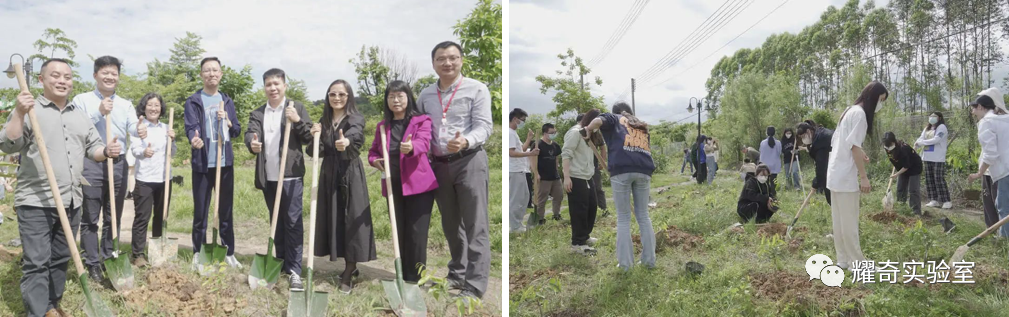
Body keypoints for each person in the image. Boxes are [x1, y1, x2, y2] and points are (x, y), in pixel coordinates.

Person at [2, 58, 120, 317]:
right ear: (42, 80)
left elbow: (93, 149)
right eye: (55, 76)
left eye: (67, 76)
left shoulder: (79, 115)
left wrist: (107, 151)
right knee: (36, 261)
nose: (62, 80)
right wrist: (19, 113)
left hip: (71, 199)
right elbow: (8, 146)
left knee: (60, 258)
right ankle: (38, 310)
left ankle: (51, 305)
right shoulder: (31, 110)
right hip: (36, 200)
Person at [417, 41, 492, 300]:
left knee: (476, 224)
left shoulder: (477, 88)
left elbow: (485, 126)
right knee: (451, 225)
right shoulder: (425, 95)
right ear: (433, 63)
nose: (447, 63)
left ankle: (475, 284)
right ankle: (457, 274)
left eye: (452, 58)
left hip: (469, 161)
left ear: (461, 60)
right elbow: (418, 129)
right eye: (441, 59)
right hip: (438, 165)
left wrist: (466, 140)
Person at [71, 55, 143, 283]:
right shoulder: (81, 100)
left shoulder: (126, 104)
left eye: (114, 73)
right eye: (105, 72)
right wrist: (99, 112)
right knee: (91, 217)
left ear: (118, 78)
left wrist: (139, 128)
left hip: (118, 163)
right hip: (91, 162)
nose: (110, 77)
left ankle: (108, 257)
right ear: (95, 75)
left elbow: (132, 125)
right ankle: (92, 263)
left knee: (114, 215)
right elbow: (76, 129)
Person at [245, 68, 314, 290]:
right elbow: (250, 133)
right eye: (268, 85)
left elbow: (308, 138)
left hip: (291, 175)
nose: (273, 88)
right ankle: (281, 262)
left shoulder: (296, 108)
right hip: (269, 177)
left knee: (293, 222)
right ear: (264, 88)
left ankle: (294, 270)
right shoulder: (258, 113)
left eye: (276, 84)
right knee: (277, 222)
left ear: (284, 85)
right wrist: (251, 144)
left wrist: (297, 120)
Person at [308, 79, 376, 294]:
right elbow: (314, 151)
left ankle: (349, 270)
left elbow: (356, 134)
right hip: (329, 174)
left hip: (350, 174)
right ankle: (345, 263)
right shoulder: (325, 120)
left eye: (341, 94)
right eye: (332, 94)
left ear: (349, 97)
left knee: (351, 219)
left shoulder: (355, 117)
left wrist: (346, 141)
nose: (336, 98)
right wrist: (314, 135)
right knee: (334, 218)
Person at [367, 80, 438, 283]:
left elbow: (424, 142)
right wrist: (375, 161)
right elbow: (373, 152)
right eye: (391, 96)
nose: (396, 100)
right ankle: (401, 274)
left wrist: (412, 147)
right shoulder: (383, 126)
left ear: (408, 98)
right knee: (399, 230)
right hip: (393, 185)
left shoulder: (421, 120)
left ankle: (415, 277)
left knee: (417, 233)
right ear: (387, 100)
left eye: (400, 96)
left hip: (419, 186)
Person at [184, 57, 243, 269]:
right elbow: (190, 127)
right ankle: (198, 251)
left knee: (226, 210)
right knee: (201, 211)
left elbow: (236, 130)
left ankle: (229, 252)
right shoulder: (193, 101)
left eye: (215, 70)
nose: (211, 74)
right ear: (201, 75)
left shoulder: (226, 101)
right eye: (207, 70)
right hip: (202, 165)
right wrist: (194, 139)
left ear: (221, 74)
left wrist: (227, 120)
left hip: (224, 164)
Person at [584, 102, 656, 270]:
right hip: (644, 169)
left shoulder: (614, 117)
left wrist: (588, 129)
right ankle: (649, 261)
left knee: (624, 218)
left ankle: (625, 265)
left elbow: (597, 122)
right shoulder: (640, 125)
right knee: (643, 216)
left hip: (622, 169)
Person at [827, 80, 888, 269]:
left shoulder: (849, 111)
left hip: (835, 173)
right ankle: (858, 264)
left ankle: (843, 260)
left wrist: (860, 154)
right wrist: (863, 176)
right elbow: (853, 146)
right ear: (873, 97)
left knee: (839, 221)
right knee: (850, 222)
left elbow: (847, 144)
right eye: (881, 100)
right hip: (845, 177)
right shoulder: (860, 116)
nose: (881, 105)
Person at [129, 93, 178, 268]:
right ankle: (138, 254)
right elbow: (134, 149)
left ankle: (158, 254)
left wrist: (172, 140)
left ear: (161, 108)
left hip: (165, 178)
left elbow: (173, 153)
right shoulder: (139, 127)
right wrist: (144, 152)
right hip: (145, 179)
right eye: (150, 105)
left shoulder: (167, 127)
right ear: (144, 107)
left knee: (161, 216)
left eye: (157, 105)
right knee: (142, 217)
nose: (154, 108)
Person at [968, 89, 1009, 239]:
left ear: (980, 107)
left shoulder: (986, 122)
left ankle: (1004, 243)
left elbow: (990, 154)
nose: (973, 112)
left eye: (973, 108)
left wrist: (980, 172)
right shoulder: (1005, 118)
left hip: (1004, 171)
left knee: (1004, 208)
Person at [562, 111, 599, 255]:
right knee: (579, 210)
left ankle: (585, 236)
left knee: (592, 207)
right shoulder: (575, 132)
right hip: (575, 177)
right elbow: (566, 154)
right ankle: (577, 242)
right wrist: (566, 177)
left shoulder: (588, 133)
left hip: (588, 176)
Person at [915, 111, 952, 209]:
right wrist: (918, 142)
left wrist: (921, 142)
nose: (931, 118)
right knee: (929, 179)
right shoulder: (927, 128)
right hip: (927, 157)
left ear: (939, 118)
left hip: (937, 158)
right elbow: (920, 138)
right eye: (930, 116)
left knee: (938, 179)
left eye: (934, 116)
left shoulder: (942, 128)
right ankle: (933, 199)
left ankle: (946, 200)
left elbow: (936, 140)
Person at [882, 132, 923, 215]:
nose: (888, 148)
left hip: (914, 167)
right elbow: (894, 159)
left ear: (894, 142)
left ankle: (916, 212)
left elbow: (906, 166)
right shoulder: (887, 147)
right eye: (887, 145)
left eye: (889, 145)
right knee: (900, 188)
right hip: (902, 168)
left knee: (913, 190)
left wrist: (896, 175)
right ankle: (902, 208)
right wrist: (897, 167)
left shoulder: (903, 148)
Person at [508, 108, 535, 233]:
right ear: (515, 119)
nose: (523, 123)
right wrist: (531, 154)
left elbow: (521, 150)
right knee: (516, 199)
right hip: (515, 170)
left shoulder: (514, 133)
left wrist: (529, 139)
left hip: (520, 170)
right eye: (522, 120)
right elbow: (512, 153)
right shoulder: (510, 133)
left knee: (525, 197)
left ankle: (518, 223)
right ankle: (514, 227)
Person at [531, 123, 564, 225]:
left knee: (559, 195)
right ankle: (540, 218)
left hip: (554, 176)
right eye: (551, 132)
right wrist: (536, 173)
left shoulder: (555, 145)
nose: (553, 134)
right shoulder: (538, 144)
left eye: (555, 132)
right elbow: (532, 159)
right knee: (542, 198)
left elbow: (556, 158)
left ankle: (556, 214)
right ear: (545, 133)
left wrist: (557, 169)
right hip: (543, 177)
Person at [796, 119, 834, 205]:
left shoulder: (821, 140)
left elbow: (822, 166)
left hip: (836, 173)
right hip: (834, 171)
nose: (803, 140)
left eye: (802, 137)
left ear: (809, 131)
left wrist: (816, 182)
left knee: (835, 201)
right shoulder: (819, 134)